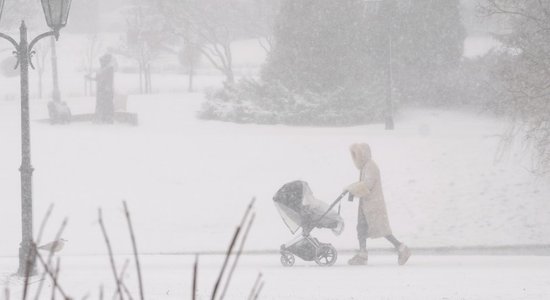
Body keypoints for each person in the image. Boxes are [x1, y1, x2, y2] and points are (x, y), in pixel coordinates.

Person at [344, 143, 411, 265]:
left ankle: (402, 248)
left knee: (382, 230)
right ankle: (362, 254)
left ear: (362, 155)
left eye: (356, 155)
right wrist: (351, 190)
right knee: (361, 228)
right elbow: (363, 184)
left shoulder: (371, 167)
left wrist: (352, 190)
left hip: (373, 205)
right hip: (366, 204)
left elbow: (367, 185)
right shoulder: (365, 167)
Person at [87, 53, 116, 123]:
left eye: (102, 61)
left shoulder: (109, 68)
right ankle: (100, 118)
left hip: (106, 91)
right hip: (100, 90)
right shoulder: (101, 69)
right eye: (100, 61)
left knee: (107, 104)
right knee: (100, 104)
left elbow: (109, 80)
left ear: (106, 61)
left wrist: (107, 88)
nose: (100, 62)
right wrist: (89, 78)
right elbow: (97, 79)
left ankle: (108, 118)